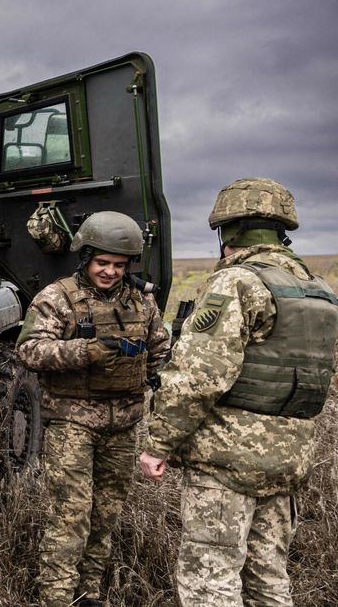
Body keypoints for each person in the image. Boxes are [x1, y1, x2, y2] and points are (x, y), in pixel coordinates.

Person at [140, 178, 338, 606]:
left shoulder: (236, 282)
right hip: (288, 460)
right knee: (269, 579)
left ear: (228, 230)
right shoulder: (319, 289)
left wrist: (158, 444)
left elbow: (199, 376)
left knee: (211, 580)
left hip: (227, 461)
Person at [17, 210, 170, 607]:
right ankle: (56, 598)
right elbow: (29, 350)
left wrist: (161, 386)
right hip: (73, 422)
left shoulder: (142, 300)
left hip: (124, 423)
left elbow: (159, 353)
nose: (110, 272)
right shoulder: (58, 297)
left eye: (119, 265)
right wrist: (84, 351)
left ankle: (89, 594)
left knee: (105, 515)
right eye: (103, 262)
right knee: (71, 516)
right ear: (85, 257)